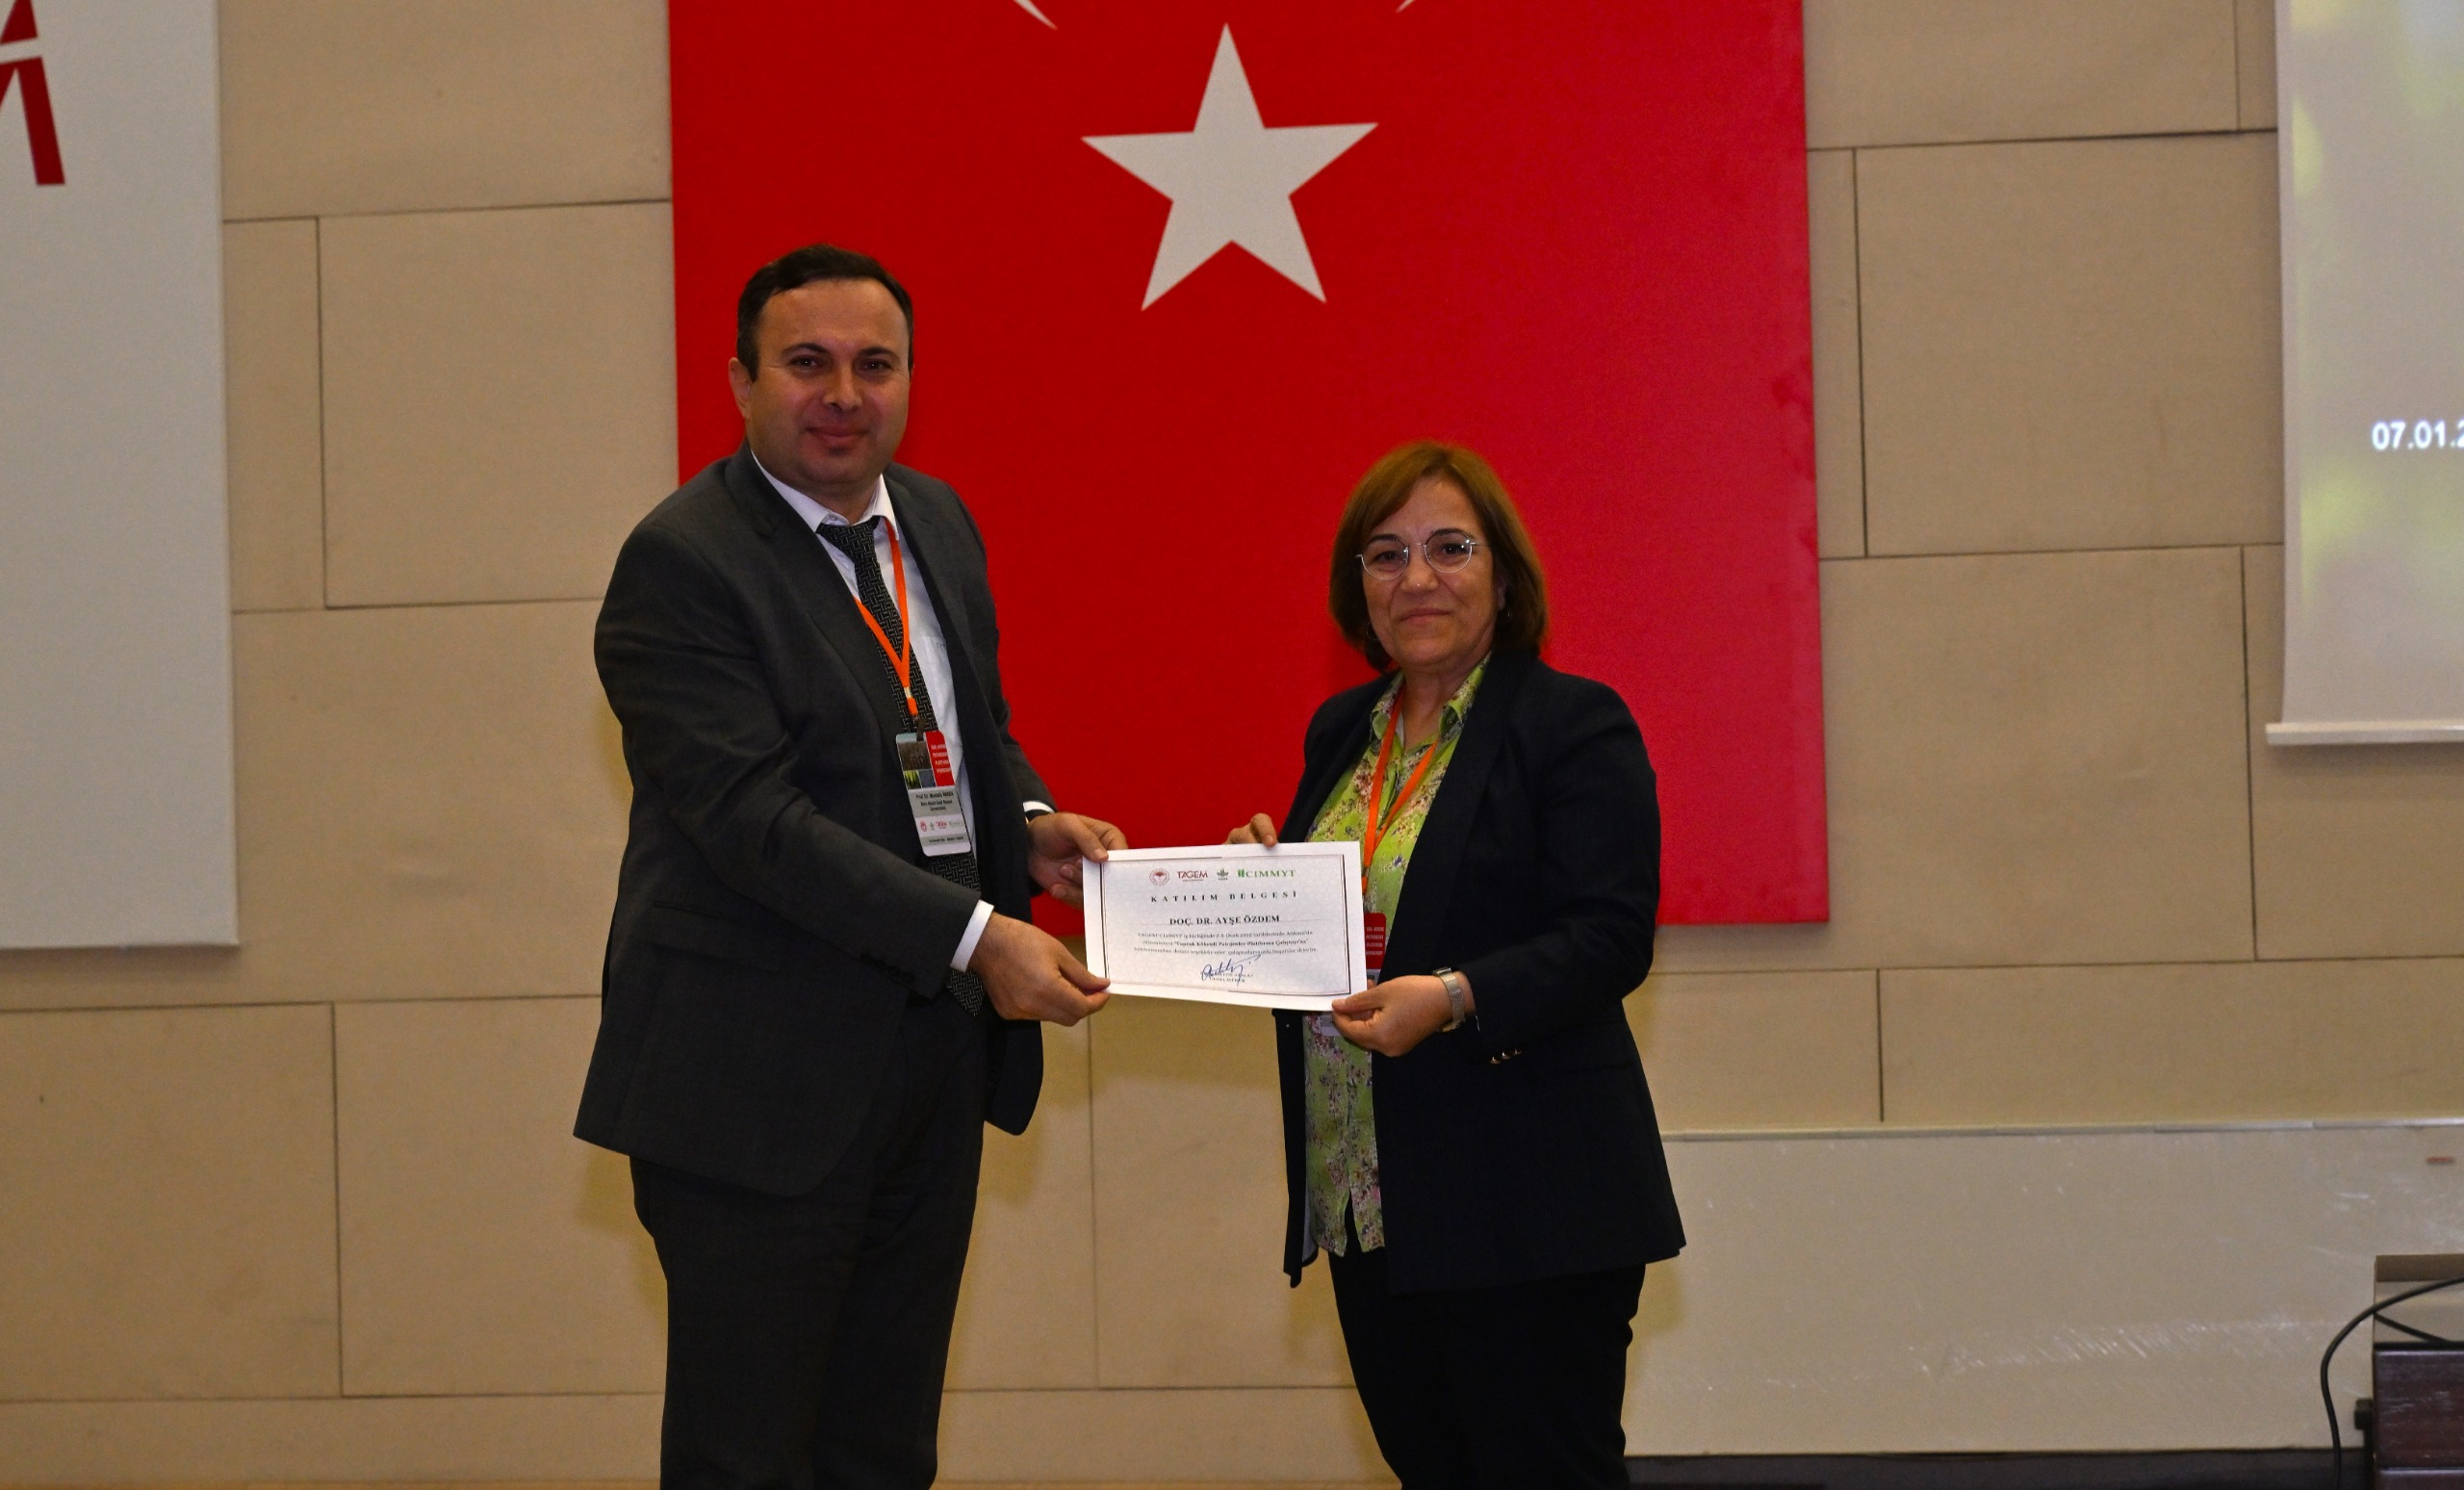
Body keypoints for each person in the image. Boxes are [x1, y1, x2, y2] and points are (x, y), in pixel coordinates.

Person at [576, 243, 1123, 1489]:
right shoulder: (683, 562)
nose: (842, 394)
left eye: (875, 365)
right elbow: (753, 822)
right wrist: (979, 934)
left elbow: (960, 729)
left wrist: (1027, 819)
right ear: (740, 381)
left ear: (911, 380)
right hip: (752, 1088)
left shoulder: (935, 520)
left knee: (884, 1450)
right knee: (748, 1458)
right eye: (806, 363)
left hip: (925, 1065)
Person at [1227, 441, 1684, 1490]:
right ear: (1358, 586)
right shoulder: (1343, 731)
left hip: (1526, 1199)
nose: (1417, 578)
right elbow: (1356, 923)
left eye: (1449, 548)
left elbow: (1610, 935)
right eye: (1386, 555)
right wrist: (1267, 891)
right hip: (1369, 1198)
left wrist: (1452, 997)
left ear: (1504, 576)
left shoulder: (1571, 723)